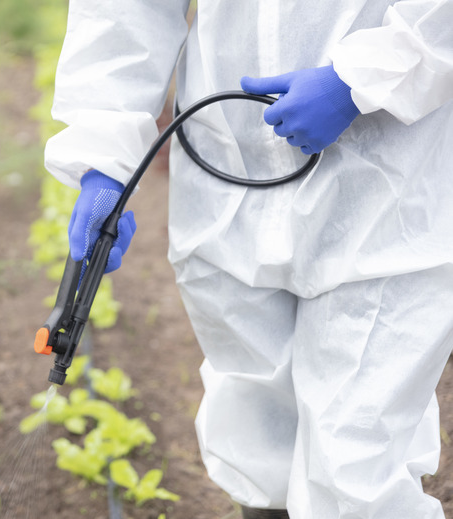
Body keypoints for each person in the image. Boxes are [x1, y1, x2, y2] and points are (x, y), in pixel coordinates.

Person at [43, 2, 453, 518]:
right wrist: (103, 160)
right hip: (225, 176)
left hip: (390, 179)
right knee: (259, 429)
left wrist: (366, 75)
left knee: (357, 463)